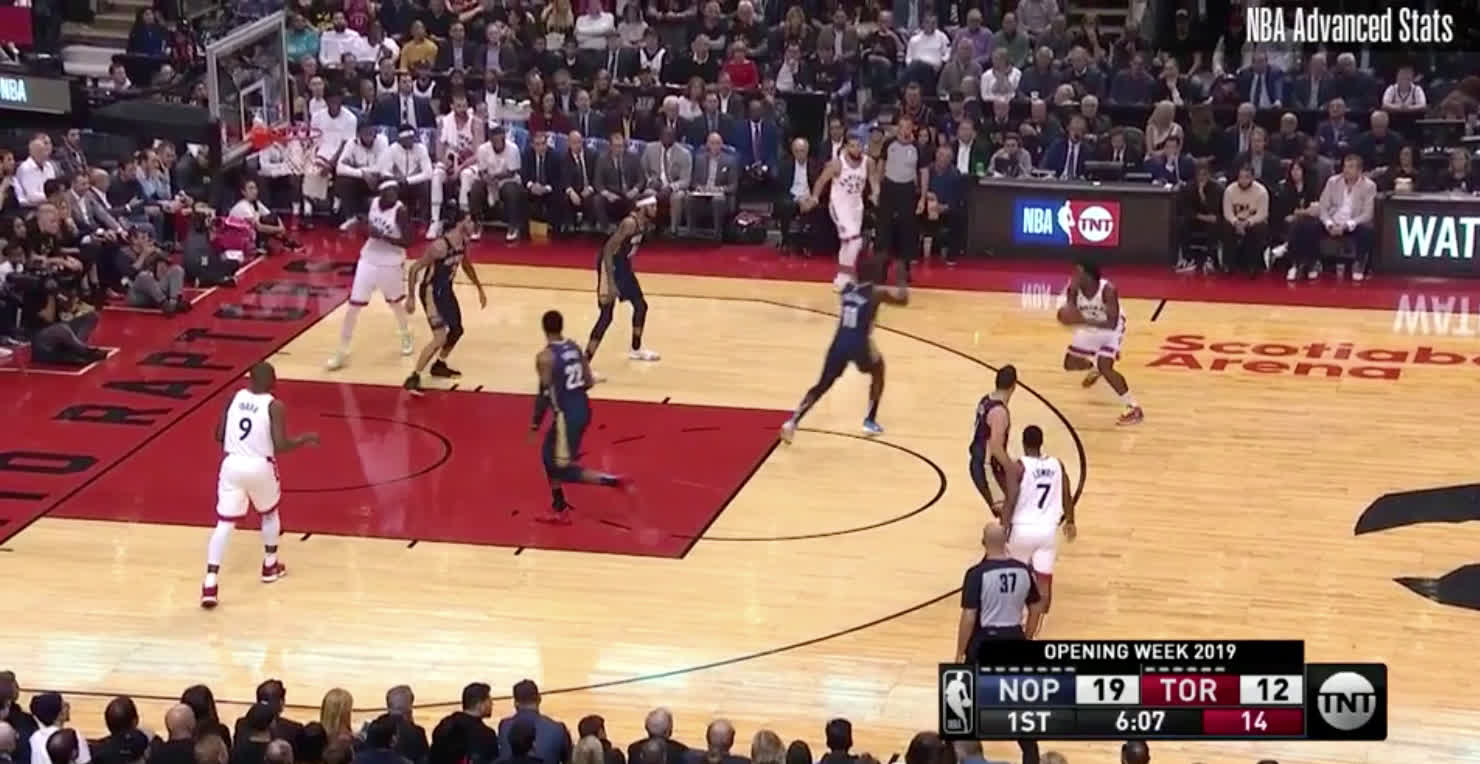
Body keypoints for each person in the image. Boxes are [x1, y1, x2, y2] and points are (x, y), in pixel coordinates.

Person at [202, 362, 319, 607]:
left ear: (250, 379)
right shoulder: (274, 406)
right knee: (269, 513)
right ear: (271, 381)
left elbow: (218, 435)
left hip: (232, 464)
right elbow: (281, 445)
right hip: (259, 466)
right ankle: (270, 565)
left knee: (224, 524)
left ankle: (210, 583)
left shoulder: (233, 398)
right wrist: (304, 439)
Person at [778, 258, 907, 442]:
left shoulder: (846, 289)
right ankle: (869, 421)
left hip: (839, 342)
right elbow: (903, 300)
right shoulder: (875, 292)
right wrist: (901, 278)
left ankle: (792, 422)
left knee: (822, 385)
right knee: (879, 370)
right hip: (860, 343)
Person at [955, 523, 1044, 763]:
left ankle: (966, 757)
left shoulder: (977, 574)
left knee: (964, 704)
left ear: (983, 542)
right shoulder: (1024, 571)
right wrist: (1028, 635)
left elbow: (969, 616)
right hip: (1014, 638)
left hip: (984, 642)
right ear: (1006, 541)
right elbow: (1036, 607)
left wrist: (960, 652)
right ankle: (1031, 757)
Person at [531, 309, 628, 521]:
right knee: (548, 457)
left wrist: (535, 423)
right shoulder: (574, 347)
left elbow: (544, 394)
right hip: (583, 408)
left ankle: (606, 481)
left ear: (544, 329)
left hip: (566, 417)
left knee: (559, 467)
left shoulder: (545, 357)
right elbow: (589, 381)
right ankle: (559, 506)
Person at [327, 180, 414, 371]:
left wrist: (381, 236)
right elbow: (364, 227)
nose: (394, 195)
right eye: (390, 191)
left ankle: (406, 334)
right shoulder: (372, 203)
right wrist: (361, 228)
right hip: (368, 259)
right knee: (353, 307)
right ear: (381, 193)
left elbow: (408, 241)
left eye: (396, 191)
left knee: (395, 304)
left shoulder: (400, 211)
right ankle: (342, 350)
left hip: (391, 262)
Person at [404, 209, 488, 394]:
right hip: (431, 292)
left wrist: (479, 288)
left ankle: (439, 364)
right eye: (470, 221)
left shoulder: (463, 242)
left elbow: (466, 264)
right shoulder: (440, 246)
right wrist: (410, 297)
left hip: (445, 291)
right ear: (460, 223)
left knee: (457, 330)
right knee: (440, 338)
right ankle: (414, 377)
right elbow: (414, 269)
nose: (473, 225)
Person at [1001, 425, 1075, 612]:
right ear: (1041, 443)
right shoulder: (1057, 464)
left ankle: (1014, 620)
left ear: (1023, 443)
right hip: (1048, 530)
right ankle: (1035, 625)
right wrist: (1071, 520)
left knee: (1014, 580)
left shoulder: (1018, 467)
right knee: (1044, 582)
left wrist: (1003, 527)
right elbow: (1066, 494)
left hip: (1022, 530)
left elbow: (1011, 499)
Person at [1060, 259, 1142, 425]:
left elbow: (1111, 323)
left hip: (1112, 327)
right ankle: (1094, 367)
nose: (1074, 276)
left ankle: (1133, 407)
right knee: (1069, 364)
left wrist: (1082, 320)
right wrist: (1067, 316)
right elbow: (1070, 311)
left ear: (1089, 276)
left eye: (1078, 273)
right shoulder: (1073, 289)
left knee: (1106, 366)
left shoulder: (1108, 290)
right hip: (1090, 325)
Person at [585, 196, 660, 364]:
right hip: (608, 265)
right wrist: (611, 283)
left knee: (641, 306)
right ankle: (585, 361)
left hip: (622, 266)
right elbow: (607, 250)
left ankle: (636, 349)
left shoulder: (644, 224)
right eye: (652, 206)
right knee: (606, 316)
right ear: (642, 207)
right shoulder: (630, 223)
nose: (656, 209)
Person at [802, 134, 872, 290]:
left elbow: (873, 180)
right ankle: (847, 275)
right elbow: (821, 181)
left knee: (847, 243)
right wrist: (814, 198)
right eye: (852, 146)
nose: (856, 149)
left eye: (859, 146)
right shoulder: (837, 164)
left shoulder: (868, 162)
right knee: (855, 241)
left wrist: (876, 194)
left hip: (856, 207)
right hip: (838, 206)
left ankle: (841, 278)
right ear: (846, 147)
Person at [969, 365, 1017, 516]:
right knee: (1007, 513)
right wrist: (1011, 468)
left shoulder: (986, 400)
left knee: (1012, 509)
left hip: (982, 463)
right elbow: (996, 447)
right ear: (1014, 386)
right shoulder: (999, 412)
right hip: (987, 468)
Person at [1221, 163, 1270, 277]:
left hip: (1253, 221)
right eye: (1241, 177)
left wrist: (1248, 222)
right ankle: (1228, 264)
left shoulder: (1261, 192)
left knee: (1259, 228)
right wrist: (1235, 222)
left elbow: (1262, 214)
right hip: (1236, 220)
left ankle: (1253, 265)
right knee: (1225, 226)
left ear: (1252, 178)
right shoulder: (1229, 190)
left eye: (1247, 177)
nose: (1243, 180)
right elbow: (1227, 212)